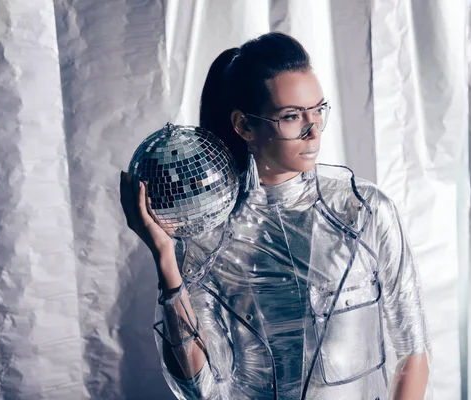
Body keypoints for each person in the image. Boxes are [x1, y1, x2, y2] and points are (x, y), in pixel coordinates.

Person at [120, 32, 430, 400]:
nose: (313, 129)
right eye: (291, 116)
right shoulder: (210, 238)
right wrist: (166, 259)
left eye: (318, 109)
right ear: (244, 126)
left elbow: (413, 351)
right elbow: (200, 390)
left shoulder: (363, 209)